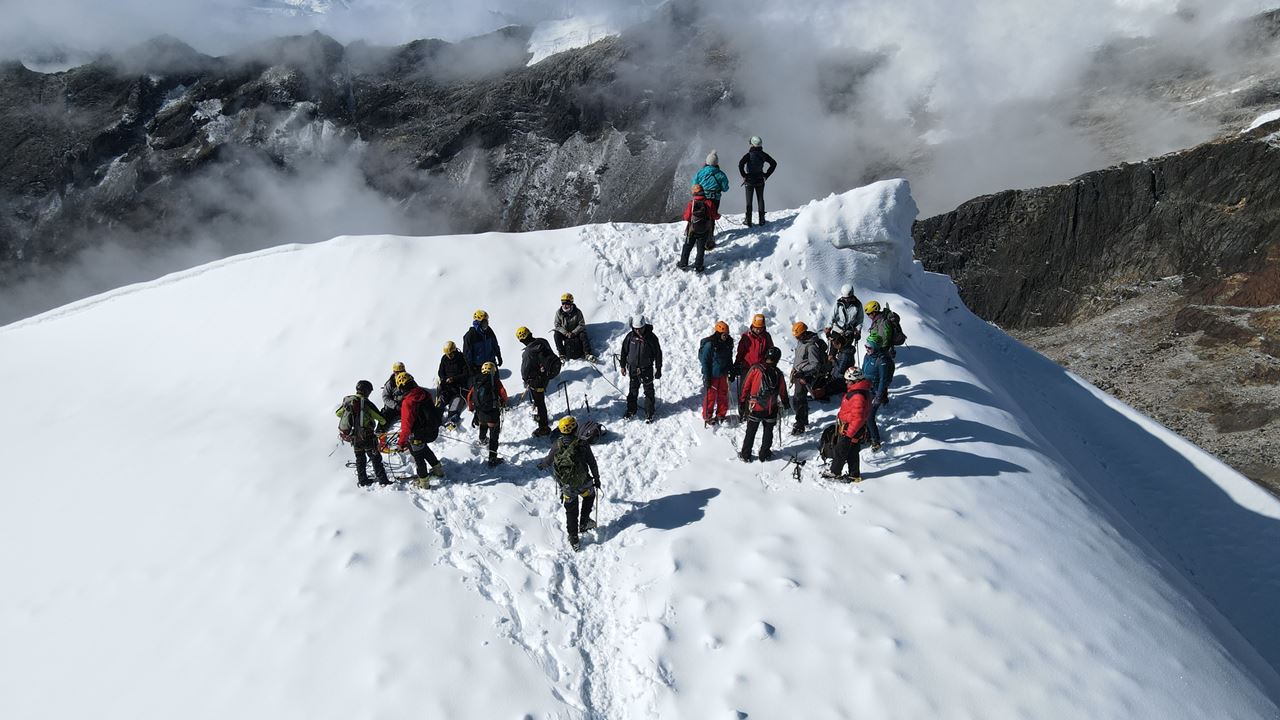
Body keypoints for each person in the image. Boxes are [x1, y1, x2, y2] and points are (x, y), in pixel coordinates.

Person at [543, 415, 602, 551]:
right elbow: (592, 463)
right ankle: (584, 522)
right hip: (584, 483)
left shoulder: (557, 445)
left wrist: (541, 464)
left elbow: (548, 461)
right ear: (575, 428)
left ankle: (573, 537)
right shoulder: (583, 443)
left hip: (568, 487)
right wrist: (597, 479)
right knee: (590, 495)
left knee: (571, 511)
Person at [738, 346, 789, 462]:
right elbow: (782, 391)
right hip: (771, 408)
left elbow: (746, 386)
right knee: (768, 432)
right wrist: (786, 403)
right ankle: (764, 454)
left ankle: (746, 454)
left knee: (750, 432)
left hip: (755, 406)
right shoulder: (778, 373)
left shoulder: (756, 369)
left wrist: (742, 401)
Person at [336, 380, 390, 487]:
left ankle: (363, 480)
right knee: (375, 458)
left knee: (360, 459)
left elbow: (338, 413)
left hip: (354, 438)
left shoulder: (349, 401)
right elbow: (382, 419)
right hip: (368, 436)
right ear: (366, 391)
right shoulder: (366, 403)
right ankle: (383, 480)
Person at [395, 372, 445, 487]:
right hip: (430, 430)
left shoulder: (408, 402)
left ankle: (424, 483)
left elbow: (406, 426)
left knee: (418, 457)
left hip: (417, 434)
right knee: (424, 450)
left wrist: (401, 442)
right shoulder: (423, 393)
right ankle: (438, 470)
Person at [824, 367, 873, 482]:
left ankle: (834, 472)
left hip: (850, 429)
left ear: (855, 381)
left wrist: (848, 434)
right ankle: (854, 474)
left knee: (840, 450)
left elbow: (858, 418)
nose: (846, 382)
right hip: (854, 428)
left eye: (848, 380)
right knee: (852, 451)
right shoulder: (860, 391)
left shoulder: (858, 396)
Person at [618, 314, 663, 422]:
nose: (638, 331)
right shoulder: (630, 337)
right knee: (633, 390)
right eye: (636, 329)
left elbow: (658, 354)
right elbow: (624, 351)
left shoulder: (651, 338)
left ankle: (649, 413)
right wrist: (623, 366)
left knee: (648, 391)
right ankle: (631, 410)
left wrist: (658, 368)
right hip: (633, 368)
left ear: (644, 327)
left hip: (646, 369)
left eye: (640, 329)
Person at [517, 326, 560, 437]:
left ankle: (543, 426)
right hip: (546, 375)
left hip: (536, 379)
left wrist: (526, 380)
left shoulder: (528, 352)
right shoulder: (542, 341)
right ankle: (541, 417)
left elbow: (525, 371)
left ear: (521, 340)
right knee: (540, 400)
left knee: (539, 401)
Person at [789, 321, 829, 435]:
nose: (796, 338)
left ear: (803, 333)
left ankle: (800, 424)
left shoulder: (811, 346)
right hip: (798, 373)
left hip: (804, 376)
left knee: (799, 399)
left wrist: (802, 373)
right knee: (799, 398)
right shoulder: (802, 342)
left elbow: (815, 364)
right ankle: (803, 420)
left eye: (797, 336)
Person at [467, 361, 509, 467]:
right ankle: (492, 458)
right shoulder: (495, 380)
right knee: (494, 436)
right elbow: (503, 392)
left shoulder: (477, 380)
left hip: (480, 412)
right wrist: (504, 402)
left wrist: (471, 408)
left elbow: (469, 396)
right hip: (492, 413)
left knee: (483, 424)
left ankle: (482, 439)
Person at [698, 320, 735, 425]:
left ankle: (721, 415)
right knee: (711, 396)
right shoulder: (710, 345)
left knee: (723, 395)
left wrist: (731, 370)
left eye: (727, 334)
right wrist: (707, 377)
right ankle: (707, 416)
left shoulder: (728, 343)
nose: (726, 336)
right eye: (724, 334)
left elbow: (729, 358)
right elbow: (705, 362)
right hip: (712, 375)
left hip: (723, 374)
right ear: (718, 333)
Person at [678, 184, 721, 273]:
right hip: (704, 230)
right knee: (701, 249)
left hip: (692, 230)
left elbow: (686, 217)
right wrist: (718, 216)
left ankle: (683, 264)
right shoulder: (709, 203)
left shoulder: (691, 203)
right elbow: (715, 216)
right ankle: (699, 266)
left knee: (687, 246)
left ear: (694, 193)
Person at [738, 136, 777, 227]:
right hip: (760, 179)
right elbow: (774, 163)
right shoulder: (763, 154)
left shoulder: (749, 155)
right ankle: (762, 220)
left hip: (749, 180)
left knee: (749, 201)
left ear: (752, 144)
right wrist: (766, 175)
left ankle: (748, 221)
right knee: (760, 199)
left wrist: (744, 175)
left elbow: (740, 164)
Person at [825, 284, 864, 375]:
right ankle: (829, 373)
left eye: (848, 298)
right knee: (832, 353)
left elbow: (860, 320)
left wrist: (858, 331)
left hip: (848, 333)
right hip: (837, 330)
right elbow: (832, 316)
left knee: (845, 353)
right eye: (845, 298)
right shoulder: (838, 303)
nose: (846, 300)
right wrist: (828, 328)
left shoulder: (857, 305)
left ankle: (843, 373)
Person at [861, 337, 892, 451]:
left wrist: (879, 396)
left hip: (875, 392)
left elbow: (883, 380)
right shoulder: (867, 356)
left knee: (869, 416)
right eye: (866, 346)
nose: (867, 349)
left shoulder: (882, 360)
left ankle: (876, 440)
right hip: (865, 389)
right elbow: (864, 371)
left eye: (869, 347)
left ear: (876, 347)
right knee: (862, 412)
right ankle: (866, 433)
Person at [864, 300, 897, 398]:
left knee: (882, 374)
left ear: (874, 312)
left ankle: (882, 396)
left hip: (882, 351)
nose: (868, 316)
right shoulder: (878, 320)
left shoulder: (882, 322)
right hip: (878, 350)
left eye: (869, 314)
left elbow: (884, 339)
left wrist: (876, 348)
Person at [553, 293, 596, 361]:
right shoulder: (559, 312)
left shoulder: (577, 312)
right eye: (563, 304)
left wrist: (574, 332)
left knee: (583, 335)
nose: (564, 306)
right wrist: (566, 333)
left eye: (566, 304)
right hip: (565, 333)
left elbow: (581, 324)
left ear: (571, 304)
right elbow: (557, 325)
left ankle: (588, 354)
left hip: (575, 333)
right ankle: (562, 355)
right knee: (556, 335)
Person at [437, 341, 470, 429]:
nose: (449, 356)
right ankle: (436, 417)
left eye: (450, 354)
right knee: (442, 400)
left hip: (459, 387)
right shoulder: (444, 359)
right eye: (447, 354)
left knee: (456, 402)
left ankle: (451, 418)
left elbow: (466, 373)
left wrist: (454, 378)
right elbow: (440, 372)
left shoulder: (462, 358)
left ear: (454, 351)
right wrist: (443, 378)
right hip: (447, 386)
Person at [735, 313, 774, 381]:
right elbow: (740, 352)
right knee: (744, 389)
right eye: (756, 328)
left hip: (761, 369)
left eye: (760, 328)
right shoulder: (746, 337)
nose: (758, 330)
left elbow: (770, 351)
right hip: (747, 368)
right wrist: (737, 364)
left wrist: (769, 364)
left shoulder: (767, 337)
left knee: (757, 390)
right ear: (753, 325)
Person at [463, 309, 503, 377]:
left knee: (495, 384)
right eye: (484, 322)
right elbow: (467, 353)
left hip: (491, 364)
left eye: (487, 321)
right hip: (478, 367)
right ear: (478, 322)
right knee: (482, 386)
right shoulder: (470, 335)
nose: (486, 324)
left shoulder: (489, 331)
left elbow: (495, 345)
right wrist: (471, 367)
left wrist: (499, 356)